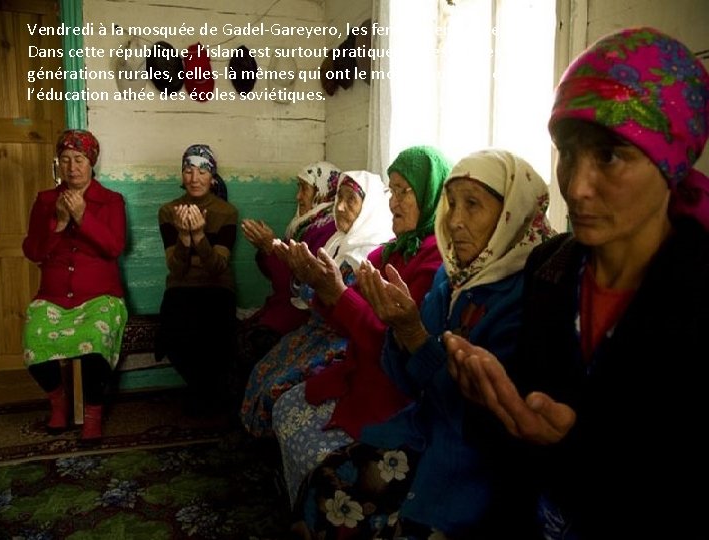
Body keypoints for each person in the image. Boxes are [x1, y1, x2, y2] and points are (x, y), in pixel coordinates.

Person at [444, 27, 709, 539]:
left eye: (609, 155)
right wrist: (494, 403)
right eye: (567, 152)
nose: (577, 186)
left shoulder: (697, 290)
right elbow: (526, 414)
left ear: (670, 162)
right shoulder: (552, 268)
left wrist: (577, 446)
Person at [292, 149, 555, 538]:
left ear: (510, 216)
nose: (456, 220)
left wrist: (412, 334)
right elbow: (404, 378)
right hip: (422, 431)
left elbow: (475, 416)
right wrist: (403, 330)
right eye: (451, 204)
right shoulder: (452, 280)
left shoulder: (523, 298)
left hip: (469, 464)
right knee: (321, 484)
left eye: (473, 205)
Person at [272, 146, 451, 505]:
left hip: (391, 392)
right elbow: (347, 324)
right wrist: (324, 288)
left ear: (432, 196)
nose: (394, 203)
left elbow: (389, 343)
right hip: (359, 373)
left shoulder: (434, 259)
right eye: (392, 191)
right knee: (286, 405)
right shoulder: (387, 252)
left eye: (405, 192)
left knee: (319, 460)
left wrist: (337, 292)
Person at [240, 170, 394, 437]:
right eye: (339, 200)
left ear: (369, 208)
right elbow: (308, 293)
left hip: (341, 342)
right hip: (316, 330)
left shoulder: (373, 254)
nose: (341, 208)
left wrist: (306, 278)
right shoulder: (338, 241)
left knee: (276, 385)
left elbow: (355, 314)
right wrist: (301, 276)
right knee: (262, 372)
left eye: (351, 201)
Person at [22, 129, 128, 442]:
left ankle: (93, 415)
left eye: (79, 159)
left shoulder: (111, 201)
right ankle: (59, 402)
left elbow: (114, 247)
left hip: (100, 297)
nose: (72, 167)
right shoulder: (45, 201)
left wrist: (84, 218)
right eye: (65, 160)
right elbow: (32, 251)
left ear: (91, 162)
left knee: (96, 339)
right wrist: (59, 225)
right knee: (33, 340)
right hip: (53, 297)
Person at [237, 162, 341, 379]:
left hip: (300, 314)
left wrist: (270, 247)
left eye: (304, 189)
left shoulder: (328, 231)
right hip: (283, 306)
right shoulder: (305, 225)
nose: (298, 197)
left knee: (248, 347)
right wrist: (266, 248)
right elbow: (274, 273)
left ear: (322, 193)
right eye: (299, 187)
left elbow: (296, 286)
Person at [155, 144, 238, 415]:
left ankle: (205, 394)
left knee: (215, 336)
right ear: (182, 176)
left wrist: (199, 238)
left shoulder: (227, 212)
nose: (194, 178)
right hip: (180, 289)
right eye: (188, 171)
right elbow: (176, 269)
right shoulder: (168, 211)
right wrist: (183, 238)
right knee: (175, 335)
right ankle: (207, 392)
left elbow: (217, 267)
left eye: (202, 171)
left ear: (212, 177)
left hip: (217, 288)